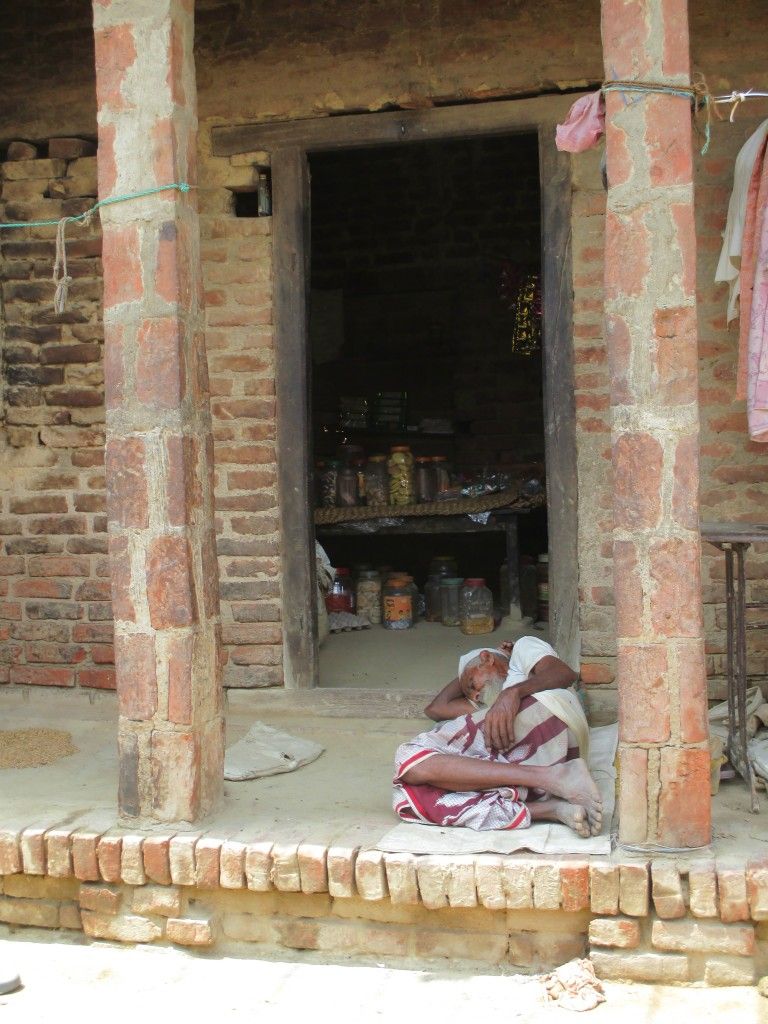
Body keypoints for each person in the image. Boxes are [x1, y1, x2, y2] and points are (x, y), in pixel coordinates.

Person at [392, 636, 602, 836]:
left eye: (473, 685)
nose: (475, 696)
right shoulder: (489, 705)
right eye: (470, 694)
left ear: (486, 659)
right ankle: (552, 808)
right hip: (541, 759)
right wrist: (480, 684)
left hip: (549, 719)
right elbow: (436, 708)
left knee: (409, 756)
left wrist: (511, 692)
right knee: (424, 796)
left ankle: (553, 777)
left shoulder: (522, 651)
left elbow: (563, 673)